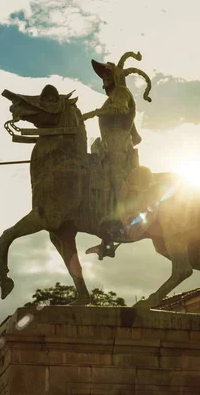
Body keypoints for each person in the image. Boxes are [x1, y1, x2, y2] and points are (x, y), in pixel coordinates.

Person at [82, 51, 152, 260]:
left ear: (116, 78)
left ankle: (121, 218)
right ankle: (106, 235)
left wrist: (94, 113)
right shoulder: (115, 96)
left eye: (106, 79)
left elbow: (121, 110)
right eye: (103, 80)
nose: (104, 84)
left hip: (118, 148)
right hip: (110, 145)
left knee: (113, 178)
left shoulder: (121, 93)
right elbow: (136, 135)